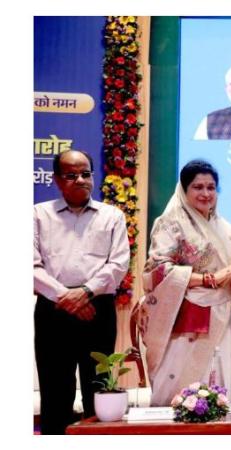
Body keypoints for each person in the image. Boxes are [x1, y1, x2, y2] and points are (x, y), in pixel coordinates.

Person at [34, 150, 130, 434]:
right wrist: (67, 297)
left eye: (85, 174)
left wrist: (85, 292)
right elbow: (30, 265)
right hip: (53, 311)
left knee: (99, 391)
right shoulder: (38, 215)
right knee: (54, 391)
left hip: (97, 311)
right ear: (56, 180)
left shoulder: (112, 216)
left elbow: (118, 263)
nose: (80, 180)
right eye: (71, 175)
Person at [140, 160, 231, 406]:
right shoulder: (170, 223)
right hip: (187, 314)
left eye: (211, 187)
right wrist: (210, 279)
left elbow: (230, 267)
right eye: (198, 187)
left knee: (221, 379)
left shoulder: (226, 228)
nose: (206, 193)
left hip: (223, 312)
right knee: (182, 385)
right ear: (184, 189)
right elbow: (158, 270)